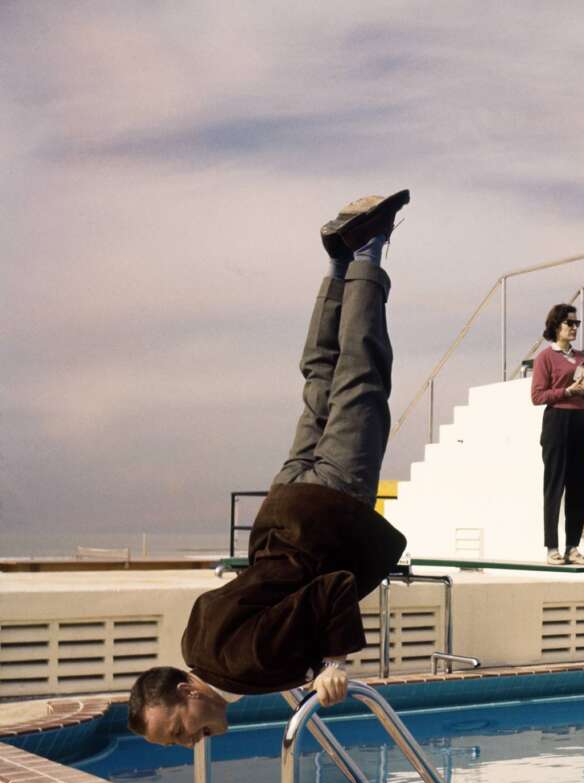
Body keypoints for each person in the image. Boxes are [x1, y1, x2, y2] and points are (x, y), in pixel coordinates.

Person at [127, 191, 411, 748]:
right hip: (282, 505)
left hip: (327, 511)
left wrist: (333, 663)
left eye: (182, 733)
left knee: (361, 376)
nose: (193, 743)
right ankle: (337, 261)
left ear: (188, 693)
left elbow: (332, 588)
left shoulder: (249, 667)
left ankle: (368, 249)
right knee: (320, 381)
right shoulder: (197, 639)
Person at [530, 303, 584, 565]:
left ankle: (573, 547)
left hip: (580, 419)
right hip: (556, 420)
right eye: (570, 323)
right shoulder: (545, 358)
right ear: (556, 326)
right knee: (554, 485)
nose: (574, 327)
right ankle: (551, 548)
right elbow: (537, 396)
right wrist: (567, 392)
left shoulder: (583, 358)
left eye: (576, 323)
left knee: (579, 486)